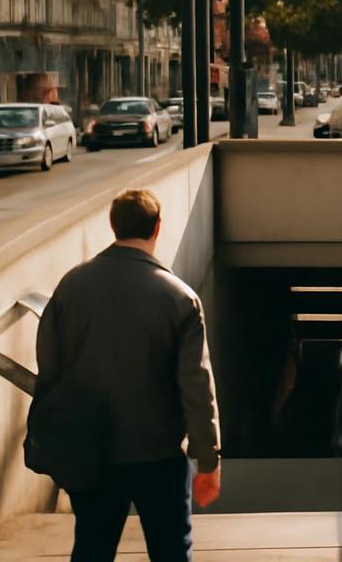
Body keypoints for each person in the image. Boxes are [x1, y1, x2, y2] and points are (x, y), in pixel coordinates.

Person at [33, 189, 221, 561]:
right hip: (158, 453)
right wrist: (208, 459)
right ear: (157, 227)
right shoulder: (179, 298)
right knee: (171, 550)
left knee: (92, 547)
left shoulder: (71, 287)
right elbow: (195, 385)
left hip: (90, 450)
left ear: (114, 226)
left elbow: (50, 366)